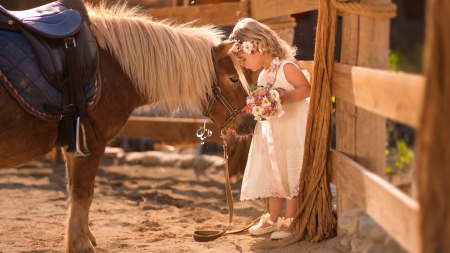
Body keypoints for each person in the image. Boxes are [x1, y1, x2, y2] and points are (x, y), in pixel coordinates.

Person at [228, 18, 311, 240]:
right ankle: (274, 217)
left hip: (291, 129)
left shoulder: (286, 67)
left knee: (290, 172)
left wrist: (282, 96)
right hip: (274, 132)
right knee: (276, 172)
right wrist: (256, 105)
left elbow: (306, 89)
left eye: (243, 58)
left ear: (258, 46)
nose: (243, 64)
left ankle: (290, 219)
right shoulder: (264, 75)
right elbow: (265, 99)